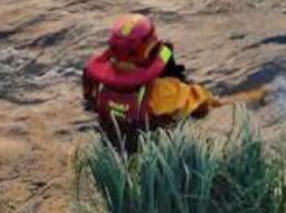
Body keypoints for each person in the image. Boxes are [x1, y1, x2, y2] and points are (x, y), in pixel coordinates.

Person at [82, 13, 221, 151]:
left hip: (111, 145)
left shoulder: (97, 85)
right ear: (150, 52)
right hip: (150, 149)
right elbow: (204, 103)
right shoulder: (165, 91)